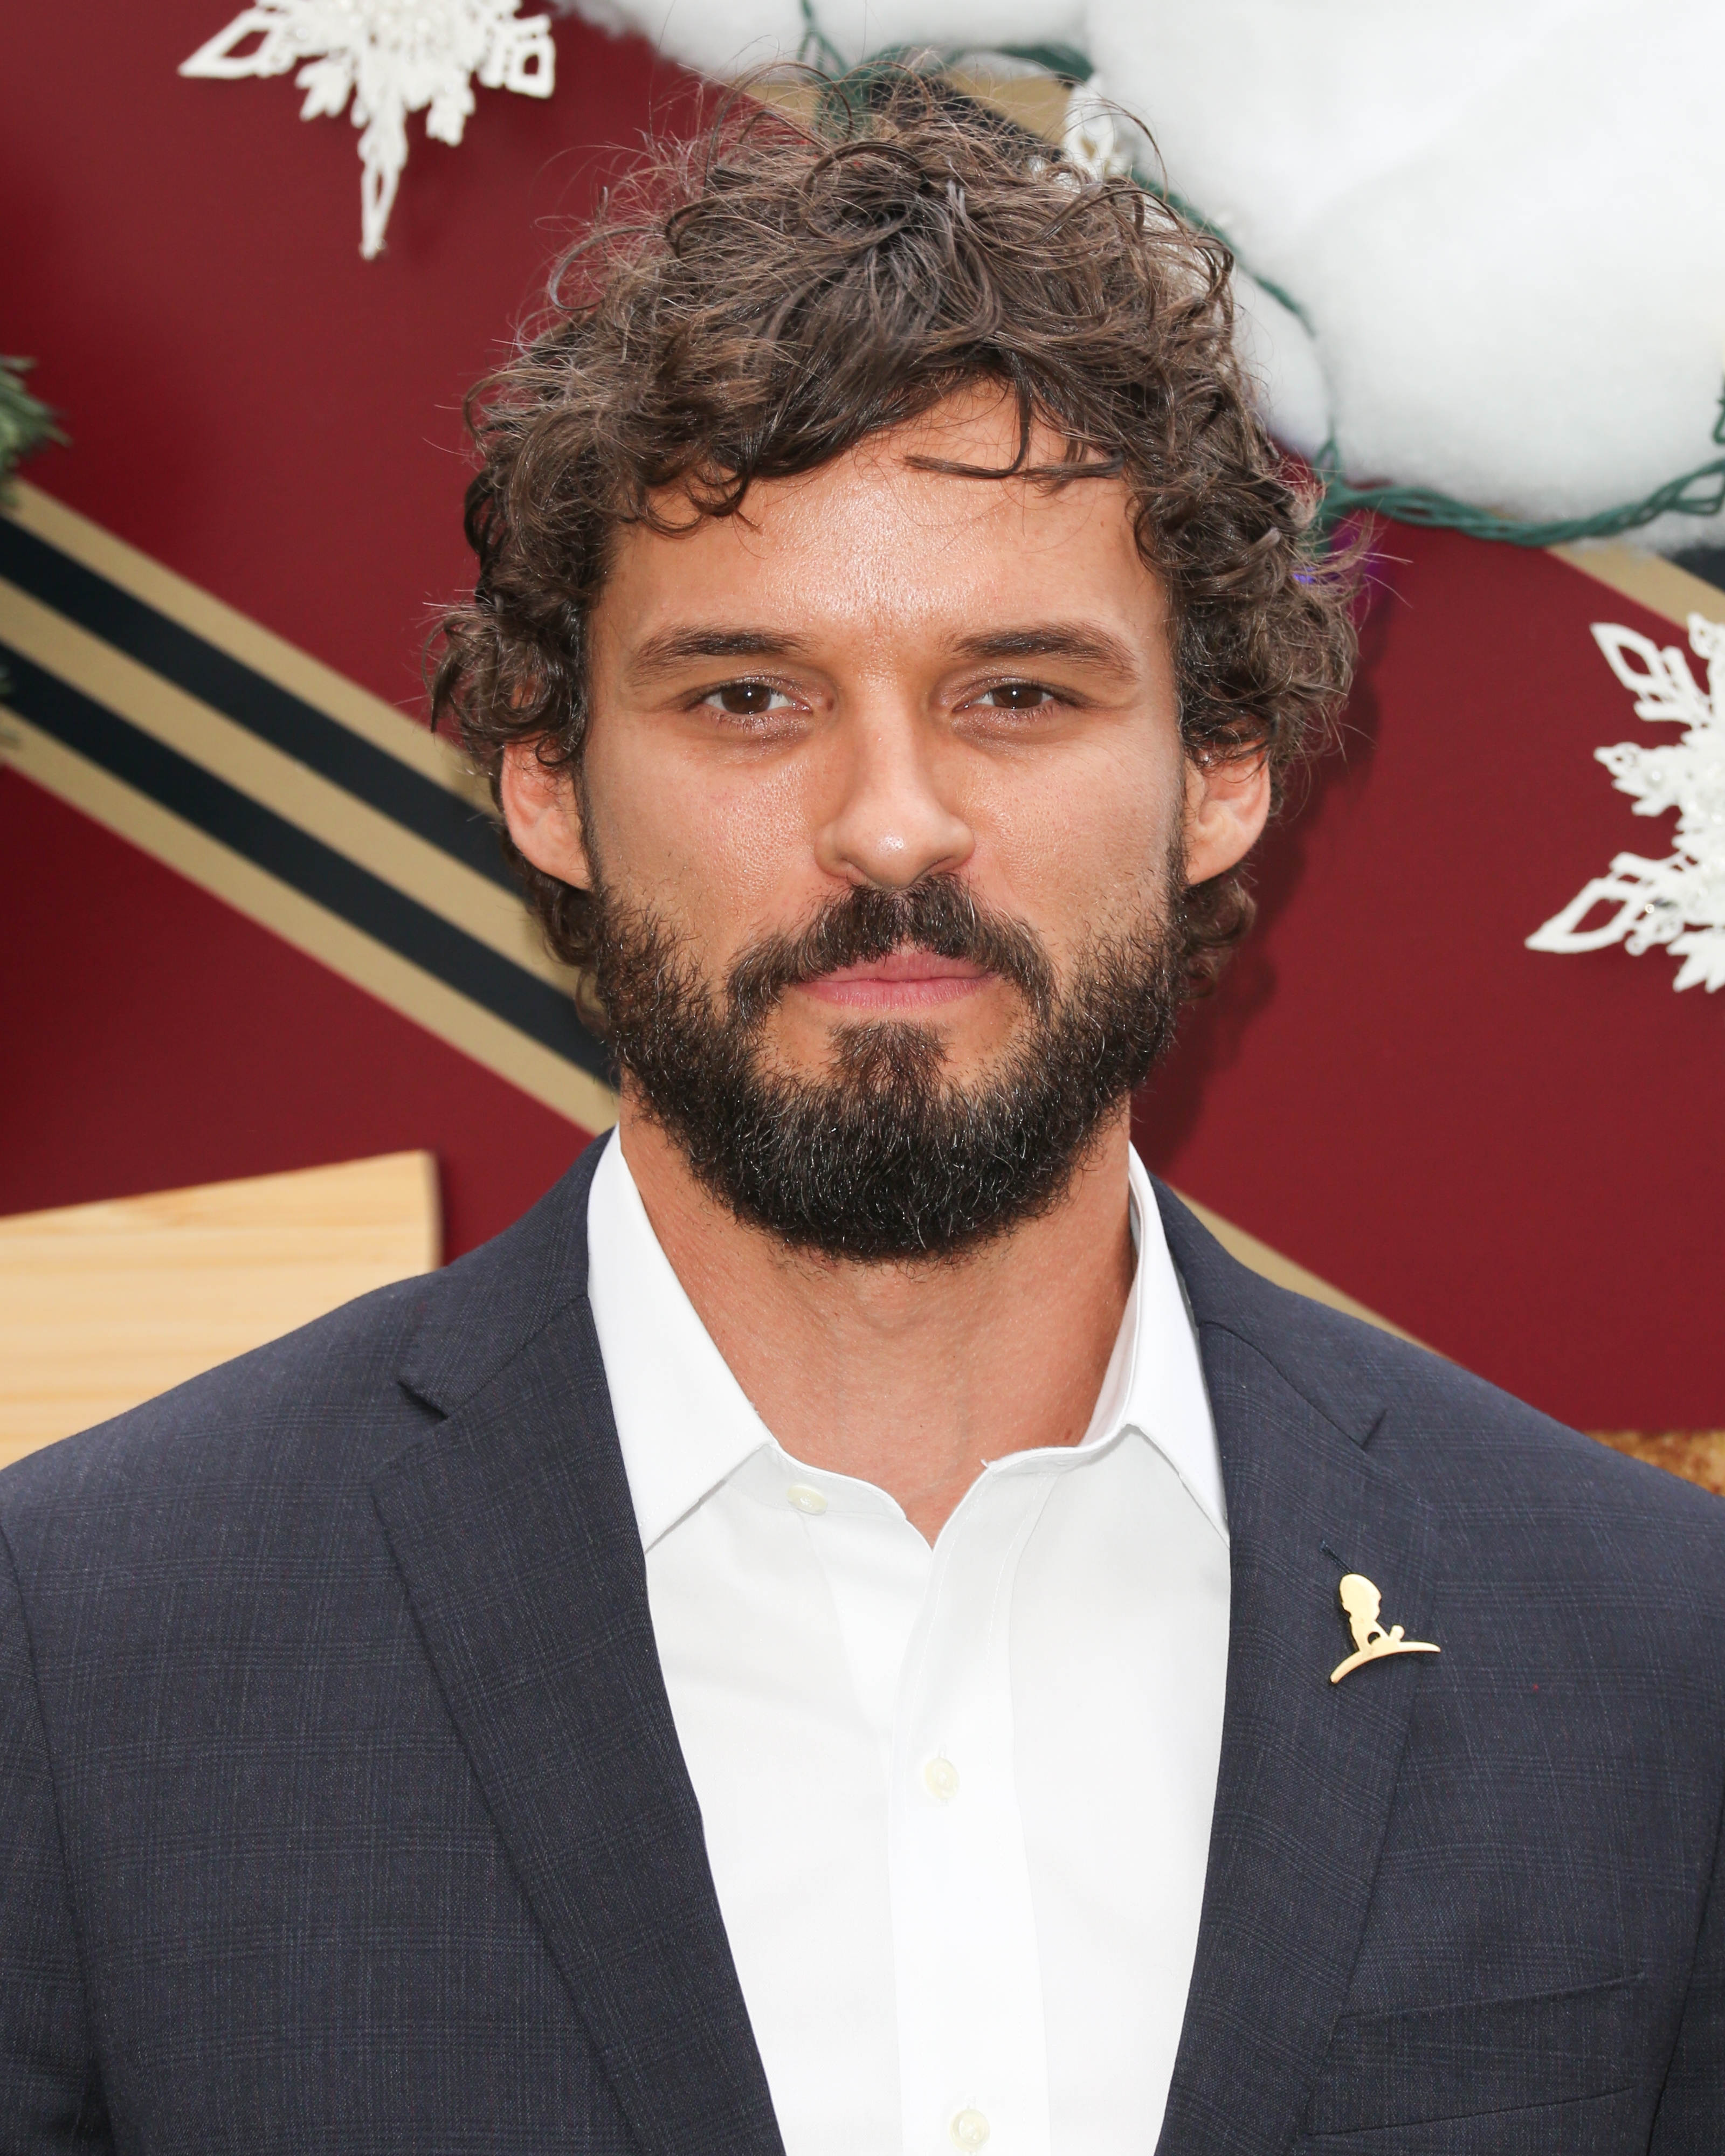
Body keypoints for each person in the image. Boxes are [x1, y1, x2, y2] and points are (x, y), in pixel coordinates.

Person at [2, 74, 1721, 2156]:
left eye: (1019, 693)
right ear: (546, 778)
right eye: (748, 697)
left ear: (1223, 771)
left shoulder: (1647, 1655)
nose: (891, 821)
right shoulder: (80, 1655)